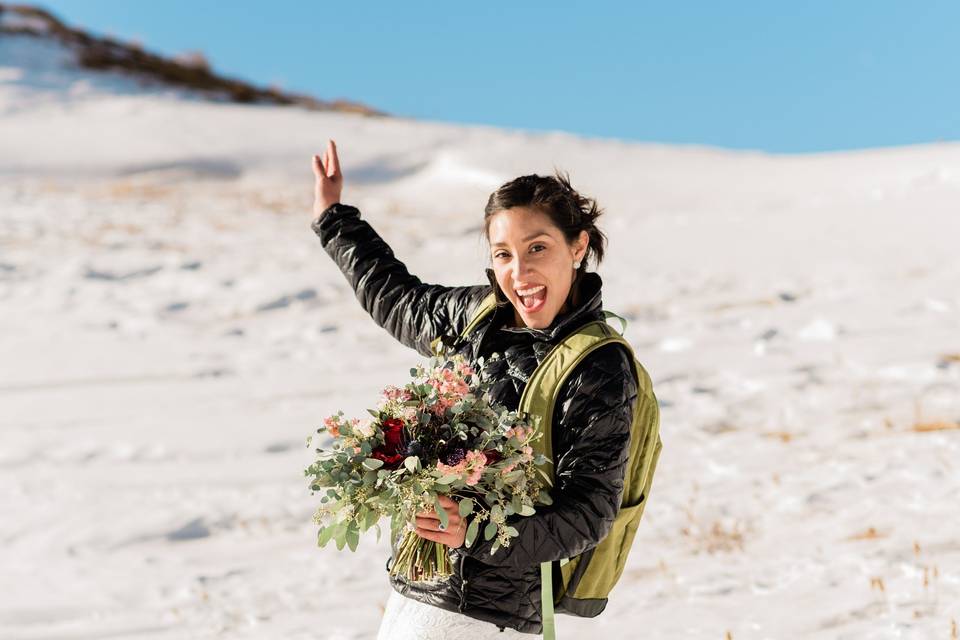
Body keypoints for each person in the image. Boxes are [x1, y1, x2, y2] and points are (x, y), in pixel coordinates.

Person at [310, 140, 641, 638]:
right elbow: (396, 295)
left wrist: (477, 532)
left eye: (537, 248)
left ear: (578, 246)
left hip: (493, 615)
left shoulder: (599, 366)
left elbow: (590, 511)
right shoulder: (475, 317)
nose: (519, 272)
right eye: (503, 254)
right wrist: (333, 215)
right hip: (416, 591)